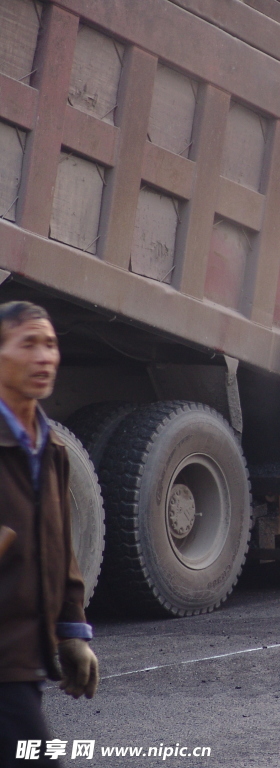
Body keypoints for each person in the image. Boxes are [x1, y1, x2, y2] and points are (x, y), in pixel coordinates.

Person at [0, 302, 99, 766]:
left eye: (51, 344)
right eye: (28, 344)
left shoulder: (51, 446)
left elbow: (61, 549)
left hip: (23, 657)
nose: (44, 357)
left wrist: (72, 632)